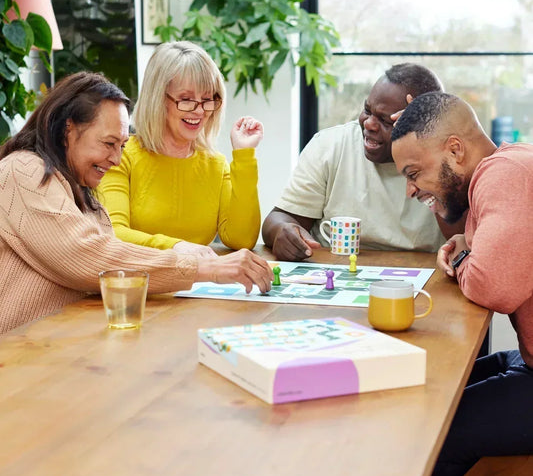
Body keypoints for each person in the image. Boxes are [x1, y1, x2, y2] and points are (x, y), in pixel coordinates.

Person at [0, 72, 273, 334]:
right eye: (108, 143)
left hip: (64, 346)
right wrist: (206, 268)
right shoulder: (23, 170)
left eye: (121, 145)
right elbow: (89, 255)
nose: (117, 159)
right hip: (22, 360)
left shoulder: (79, 187)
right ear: (68, 129)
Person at [390, 92, 533, 476]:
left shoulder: (503, 174)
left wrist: (463, 256)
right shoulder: (511, 161)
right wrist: (470, 244)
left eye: (413, 173)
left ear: (454, 150)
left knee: (433, 432)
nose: (410, 189)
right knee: (438, 388)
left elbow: (493, 286)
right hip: (527, 359)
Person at [262, 63, 463, 261]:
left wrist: (431, 157)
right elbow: (278, 219)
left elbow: (467, 238)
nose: (369, 124)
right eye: (367, 110)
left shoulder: (450, 161)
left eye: (386, 121)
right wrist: (283, 231)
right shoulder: (330, 145)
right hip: (338, 271)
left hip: (424, 276)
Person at [98, 41, 263, 258]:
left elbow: (242, 239)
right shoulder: (121, 156)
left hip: (196, 286)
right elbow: (114, 233)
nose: (199, 111)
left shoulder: (215, 164)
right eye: (186, 99)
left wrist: (243, 155)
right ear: (158, 99)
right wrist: (176, 247)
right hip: (140, 285)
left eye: (207, 99)